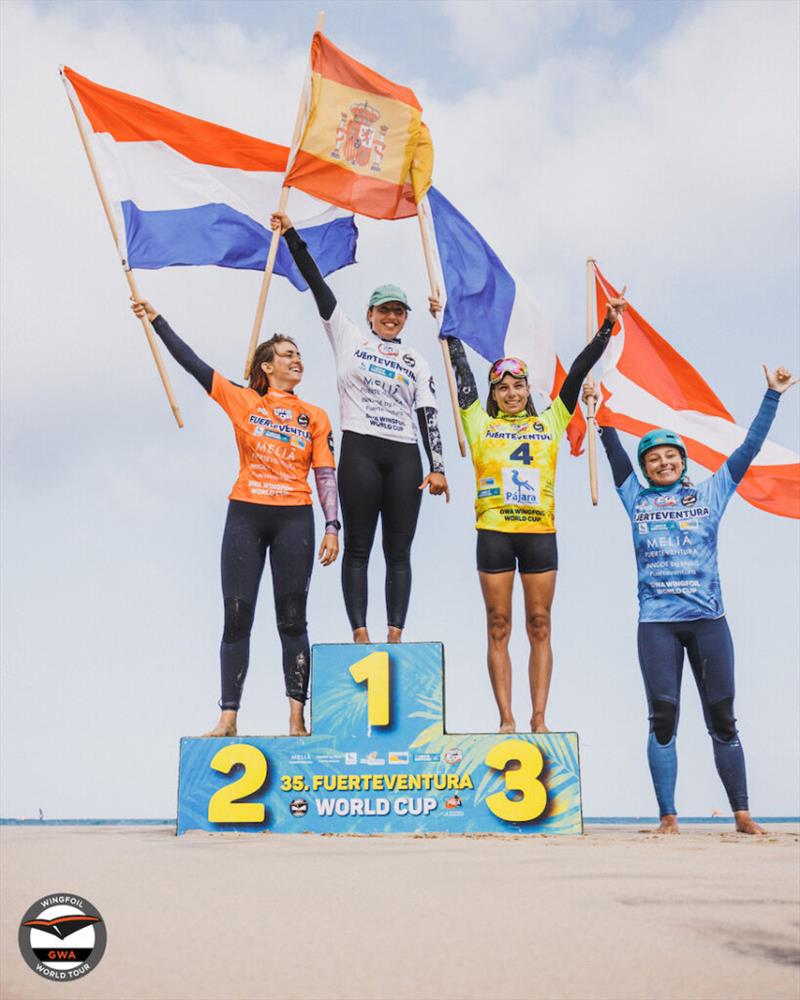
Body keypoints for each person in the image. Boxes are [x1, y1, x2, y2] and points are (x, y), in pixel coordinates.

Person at [582, 364, 798, 834]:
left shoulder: (711, 493)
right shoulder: (634, 497)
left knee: (722, 717)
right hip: (656, 624)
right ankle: (668, 818)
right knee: (663, 717)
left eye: (670, 457)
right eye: (653, 459)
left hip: (708, 622)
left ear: (682, 461)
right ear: (646, 469)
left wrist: (773, 396)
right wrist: (596, 411)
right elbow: (614, 451)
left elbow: (748, 450)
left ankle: (742, 814)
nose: (662, 463)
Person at [130, 298, 340, 737]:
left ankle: (297, 721)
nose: (297, 360)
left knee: (291, 619)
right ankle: (228, 718)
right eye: (287, 354)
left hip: (294, 517)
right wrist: (158, 320)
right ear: (266, 366)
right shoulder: (241, 400)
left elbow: (324, 473)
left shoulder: (314, 416)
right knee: (237, 614)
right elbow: (193, 364)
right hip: (246, 513)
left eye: (299, 354)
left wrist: (333, 525)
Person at [432, 292, 627, 733]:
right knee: (498, 625)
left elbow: (576, 373)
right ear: (494, 394)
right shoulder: (479, 423)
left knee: (539, 624)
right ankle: (506, 718)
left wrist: (607, 327)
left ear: (527, 390)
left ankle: (540, 719)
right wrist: (450, 327)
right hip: (494, 532)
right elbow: (460, 375)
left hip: (540, 533)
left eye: (519, 385)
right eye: (503, 387)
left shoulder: (552, 421)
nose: (513, 392)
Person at [271, 211, 449, 644]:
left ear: (405, 319)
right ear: (370, 313)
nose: (391, 317)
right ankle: (360, 634)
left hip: (404, 455)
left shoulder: (416, 360)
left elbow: (428, 414)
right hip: (360, 451)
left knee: (398, 552)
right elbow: (318, 286)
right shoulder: (349, 336)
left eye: (398, 312)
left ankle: (395, 636)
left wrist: (438, 466)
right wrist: (293, 236)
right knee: (357, 548)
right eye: (384, 310)